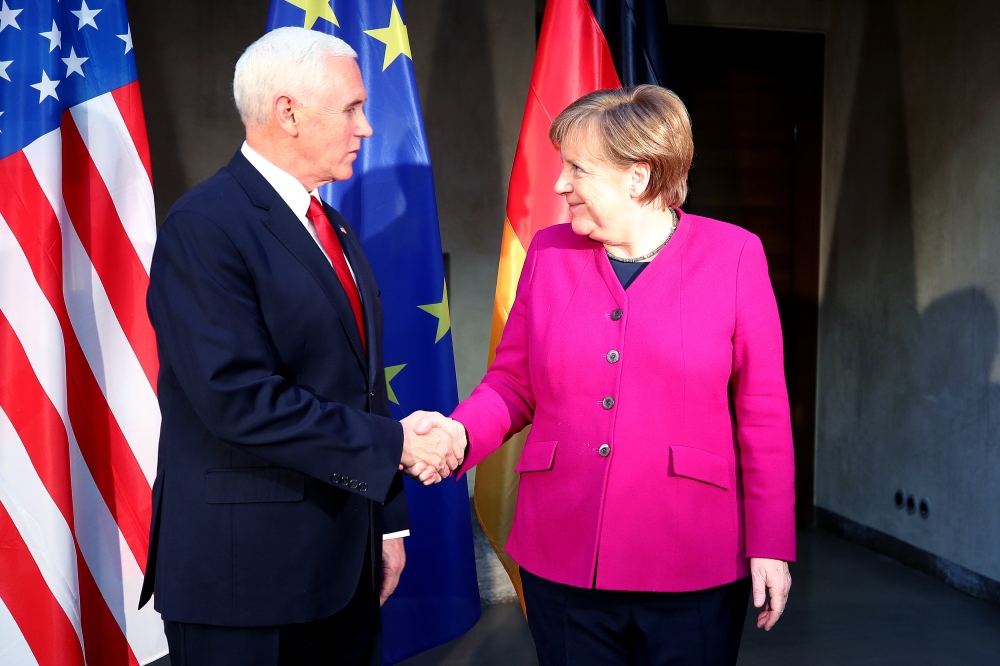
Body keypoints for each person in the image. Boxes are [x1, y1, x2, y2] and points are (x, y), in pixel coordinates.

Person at [423, 85, 796, 665]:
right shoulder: (548, 253)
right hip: (564, 553)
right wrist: (459, 434)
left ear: (639, 177)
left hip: (691, 556)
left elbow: (762, 410)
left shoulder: (736, 255)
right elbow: (513, 383)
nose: (559, 184)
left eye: (577, 168)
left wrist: (771, 543)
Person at [138, 27, 463, 666]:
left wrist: (387, 521)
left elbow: (360, 388)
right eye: (351, 109)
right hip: (247, 587)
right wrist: (400, 446)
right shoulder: (205, 228)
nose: (365, 127)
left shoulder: (330, 224)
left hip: (345, 571)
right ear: (288, 112)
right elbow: (238, 399)